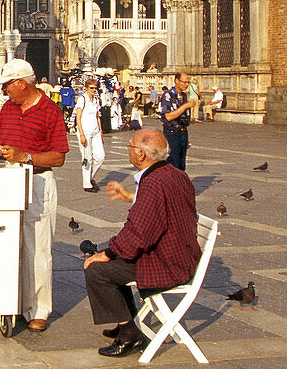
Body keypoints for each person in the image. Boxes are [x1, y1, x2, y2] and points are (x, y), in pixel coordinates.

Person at [84, 129, 201, 357]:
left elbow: (141, 232)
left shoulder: (153, 183)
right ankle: (123, 323)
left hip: (167, 263)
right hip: (180, 255)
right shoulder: (175, 174)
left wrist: (109, 252)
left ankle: (129, 333)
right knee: (117, 258)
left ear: (140, 154)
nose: (128, 149)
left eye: (129, 146)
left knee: (97, 269)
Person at [0, 59, 69, 332]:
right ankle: (12, 300)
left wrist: (27, 156)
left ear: (22, 83)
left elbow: (58, 157)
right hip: (8, 178)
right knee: (7, 243)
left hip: (37, 182)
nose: (5, 91)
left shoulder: (51, 112)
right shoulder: (9, 108)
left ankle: (39, 308)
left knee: (38, 247)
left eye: (8, 85)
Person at [158, 72, 196, 170]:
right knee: (173, 164)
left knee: (181, 165)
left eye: (188, 82)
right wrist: (185, 106)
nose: (186, 85)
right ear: (176, 81)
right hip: (172, 132)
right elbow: (169, 116)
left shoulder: (184, 96)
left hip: (182, 132)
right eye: (183, 82)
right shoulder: (168, 95)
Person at [75, 77, 105, 192]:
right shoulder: (82, 99)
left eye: (95, 88)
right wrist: (81, 134)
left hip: (96, 131)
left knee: (100, 157)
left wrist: (101, 133)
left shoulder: (96, 100)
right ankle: (87, 184)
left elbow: (97, 117)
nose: (93, 90)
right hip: (85, 131)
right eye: (91, 88)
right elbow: (78, 118)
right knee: (87, 158)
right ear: (86, 88)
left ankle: (91, 177)